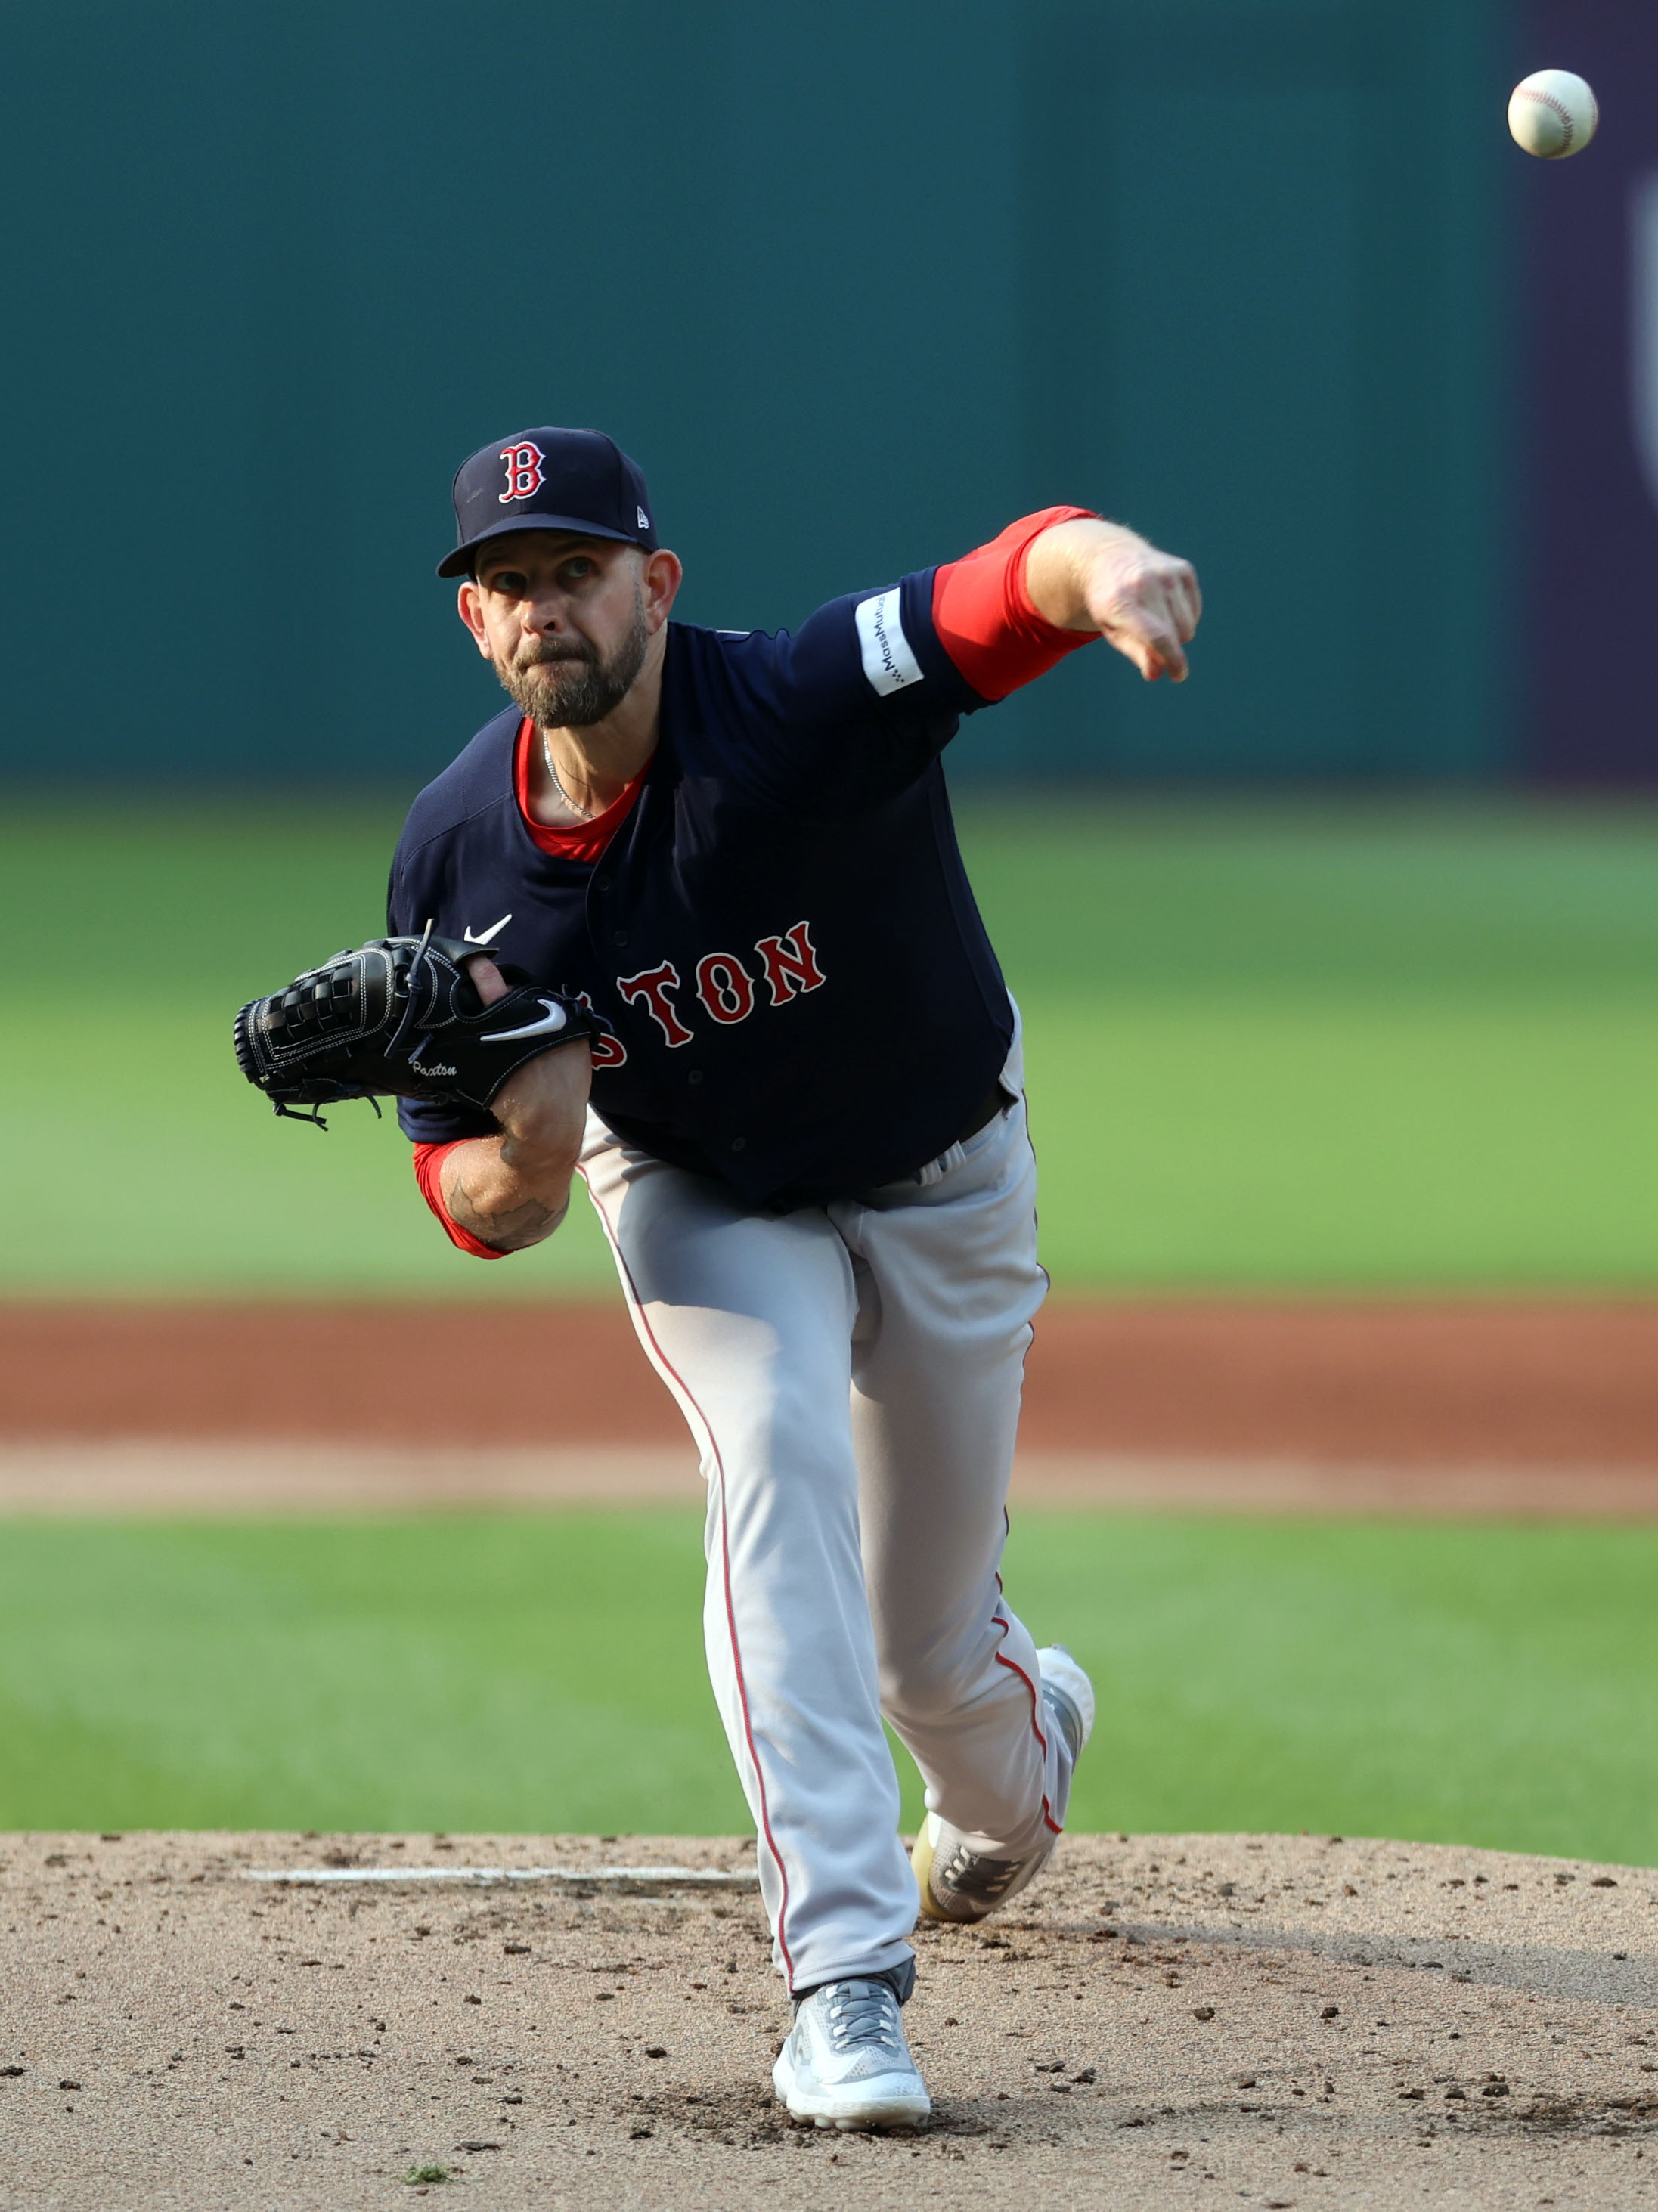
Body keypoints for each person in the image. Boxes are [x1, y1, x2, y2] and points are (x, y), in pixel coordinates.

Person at [388, 426, 1201, 2130]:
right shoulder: (459, 856)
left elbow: (1003, 585)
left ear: (654, 585)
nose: (542, 606)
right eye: (505, 583)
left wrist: (1105, 571)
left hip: (946, 1173)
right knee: (770, 1449)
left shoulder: (799, 696)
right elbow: (465, 1191)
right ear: (474, 625)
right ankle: (842, 1979)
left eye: (574, 569)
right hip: (696, 1187)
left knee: (927, 1658)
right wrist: (529, 1153)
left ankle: (1014, 1760)